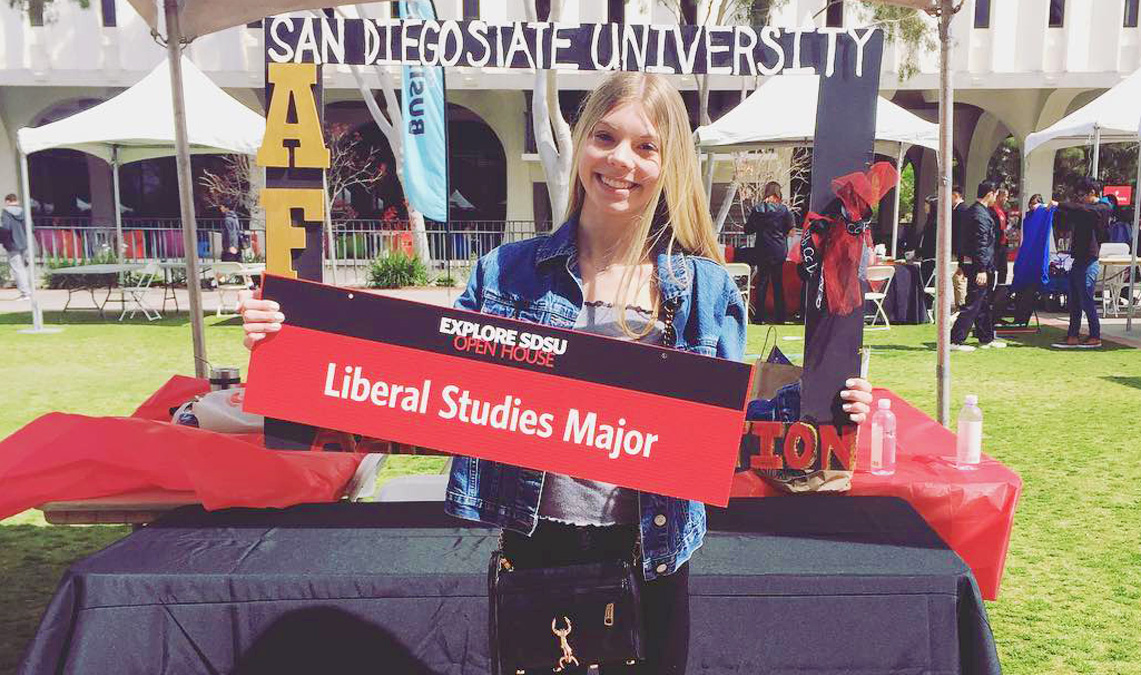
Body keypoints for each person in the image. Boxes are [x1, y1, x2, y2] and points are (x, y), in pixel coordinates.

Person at [239, 72, 874, 674]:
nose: (621, 160)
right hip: (536, 545)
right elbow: (423, 376)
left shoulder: (704, 289)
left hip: (652, 553)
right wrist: (292, 340)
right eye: (605, 137)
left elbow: (730, 427)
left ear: (670, 162)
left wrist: (820, 412)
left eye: (645, 146)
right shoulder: (505, 273)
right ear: (580, 144)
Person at [1054, 178, 1111, 348]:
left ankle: (1095, 335)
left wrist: (1059, 204)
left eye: (1082, 195)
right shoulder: (1084, 210)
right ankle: (1073, 335)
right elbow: (1073, 213)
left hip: (1090, 259)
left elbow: (1084, 210)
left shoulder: (1103, 208)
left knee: (1086, 298)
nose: (1079, 199)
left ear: (1092, 193)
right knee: (1074, 300)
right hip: (1078, 259)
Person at [950, 181, 1004, 351]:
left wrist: (963, 264)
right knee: (974, 302)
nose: (996, 198)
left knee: (984, 302)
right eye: (995, 195)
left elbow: (963, 241)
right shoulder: (980, 215)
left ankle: (986, 338)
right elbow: (981, 244)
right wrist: (981, 269)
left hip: (977, 264)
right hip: (980, 266)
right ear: (990, 194)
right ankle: (955, 340)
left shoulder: (972, 211)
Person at [744, 181, 795, 324]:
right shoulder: (784, 210)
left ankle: (759, 317)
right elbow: (791, 232)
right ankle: (780, 318)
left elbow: (748, 230)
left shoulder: (757, 209)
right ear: (778, 193)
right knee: (778, 283)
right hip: (778, 250)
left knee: (762, 283)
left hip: (762, 249)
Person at [1, 193, 32, 300]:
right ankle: (28, 291)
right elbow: (30, 227)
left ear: (8, 201)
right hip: (23, 243)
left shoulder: (6, 212)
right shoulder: (23, 211)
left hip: (12, 244)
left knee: (17, 269)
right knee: (22, 268)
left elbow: (6, 227)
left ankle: (25, 293)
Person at [950, 186, 969, 309]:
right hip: (955, 250)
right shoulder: (957, 210)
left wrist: (959, 253)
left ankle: (961, 305)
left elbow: (961, 234)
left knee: (958, 278)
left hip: (958, 251)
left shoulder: (962, 211)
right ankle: (959, 304)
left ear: (955, 195)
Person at [989, 186, 1010, 285]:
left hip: (1003, 245)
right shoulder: (991, 210)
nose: (1006, 199)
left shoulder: (1002, 211)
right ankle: (989, 293)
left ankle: (1000, 293)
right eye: (1005, 196)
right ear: (999, 196)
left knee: (1003, 270)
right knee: (992, 270)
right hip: (995, 245)